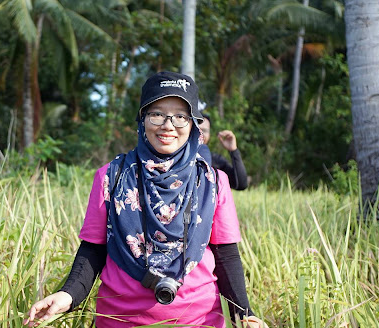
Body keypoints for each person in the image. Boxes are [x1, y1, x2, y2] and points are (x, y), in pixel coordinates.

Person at [24, 71, 265, 328]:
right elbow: (93, 249)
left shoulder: (213, 181)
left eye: (181, 116)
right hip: (119, 319)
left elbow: (226, 255)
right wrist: (67, 295)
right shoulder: (110, 176)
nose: (168, 125)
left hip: (198, 321)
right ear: (142, 119)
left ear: (194, 124)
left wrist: (245, 313)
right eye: (157, 114)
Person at [199, 114, 249, 190]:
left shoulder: (215, 161)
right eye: (197, 129)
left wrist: (233, 150)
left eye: (204, 130)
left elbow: (241, 184)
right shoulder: (177, 157)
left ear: (209, 135)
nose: (200, 134)